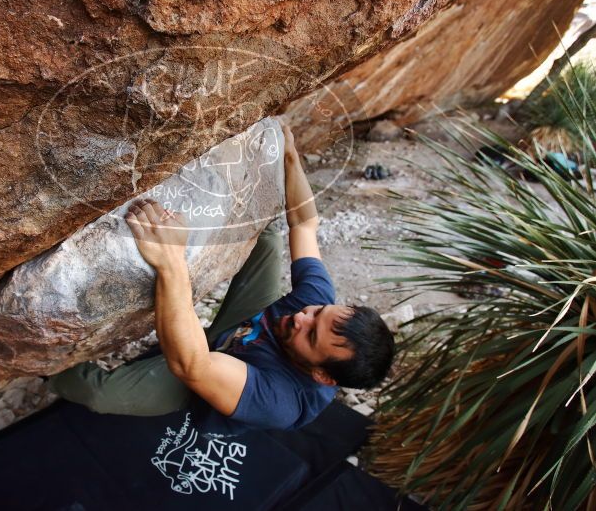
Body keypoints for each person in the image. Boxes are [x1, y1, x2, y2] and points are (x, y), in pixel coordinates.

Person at [49, 123, 395, 433]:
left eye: (312, 333)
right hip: (242, 329)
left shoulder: (280, 403)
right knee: (267, 237)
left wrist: (172, 260)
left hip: (205, 377)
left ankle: (47, 369)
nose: (303, 315)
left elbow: (192, 365)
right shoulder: (315, 309)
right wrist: (289, 154)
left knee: (100, 394)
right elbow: (304, 224)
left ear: (322, 376)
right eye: (319, 311)